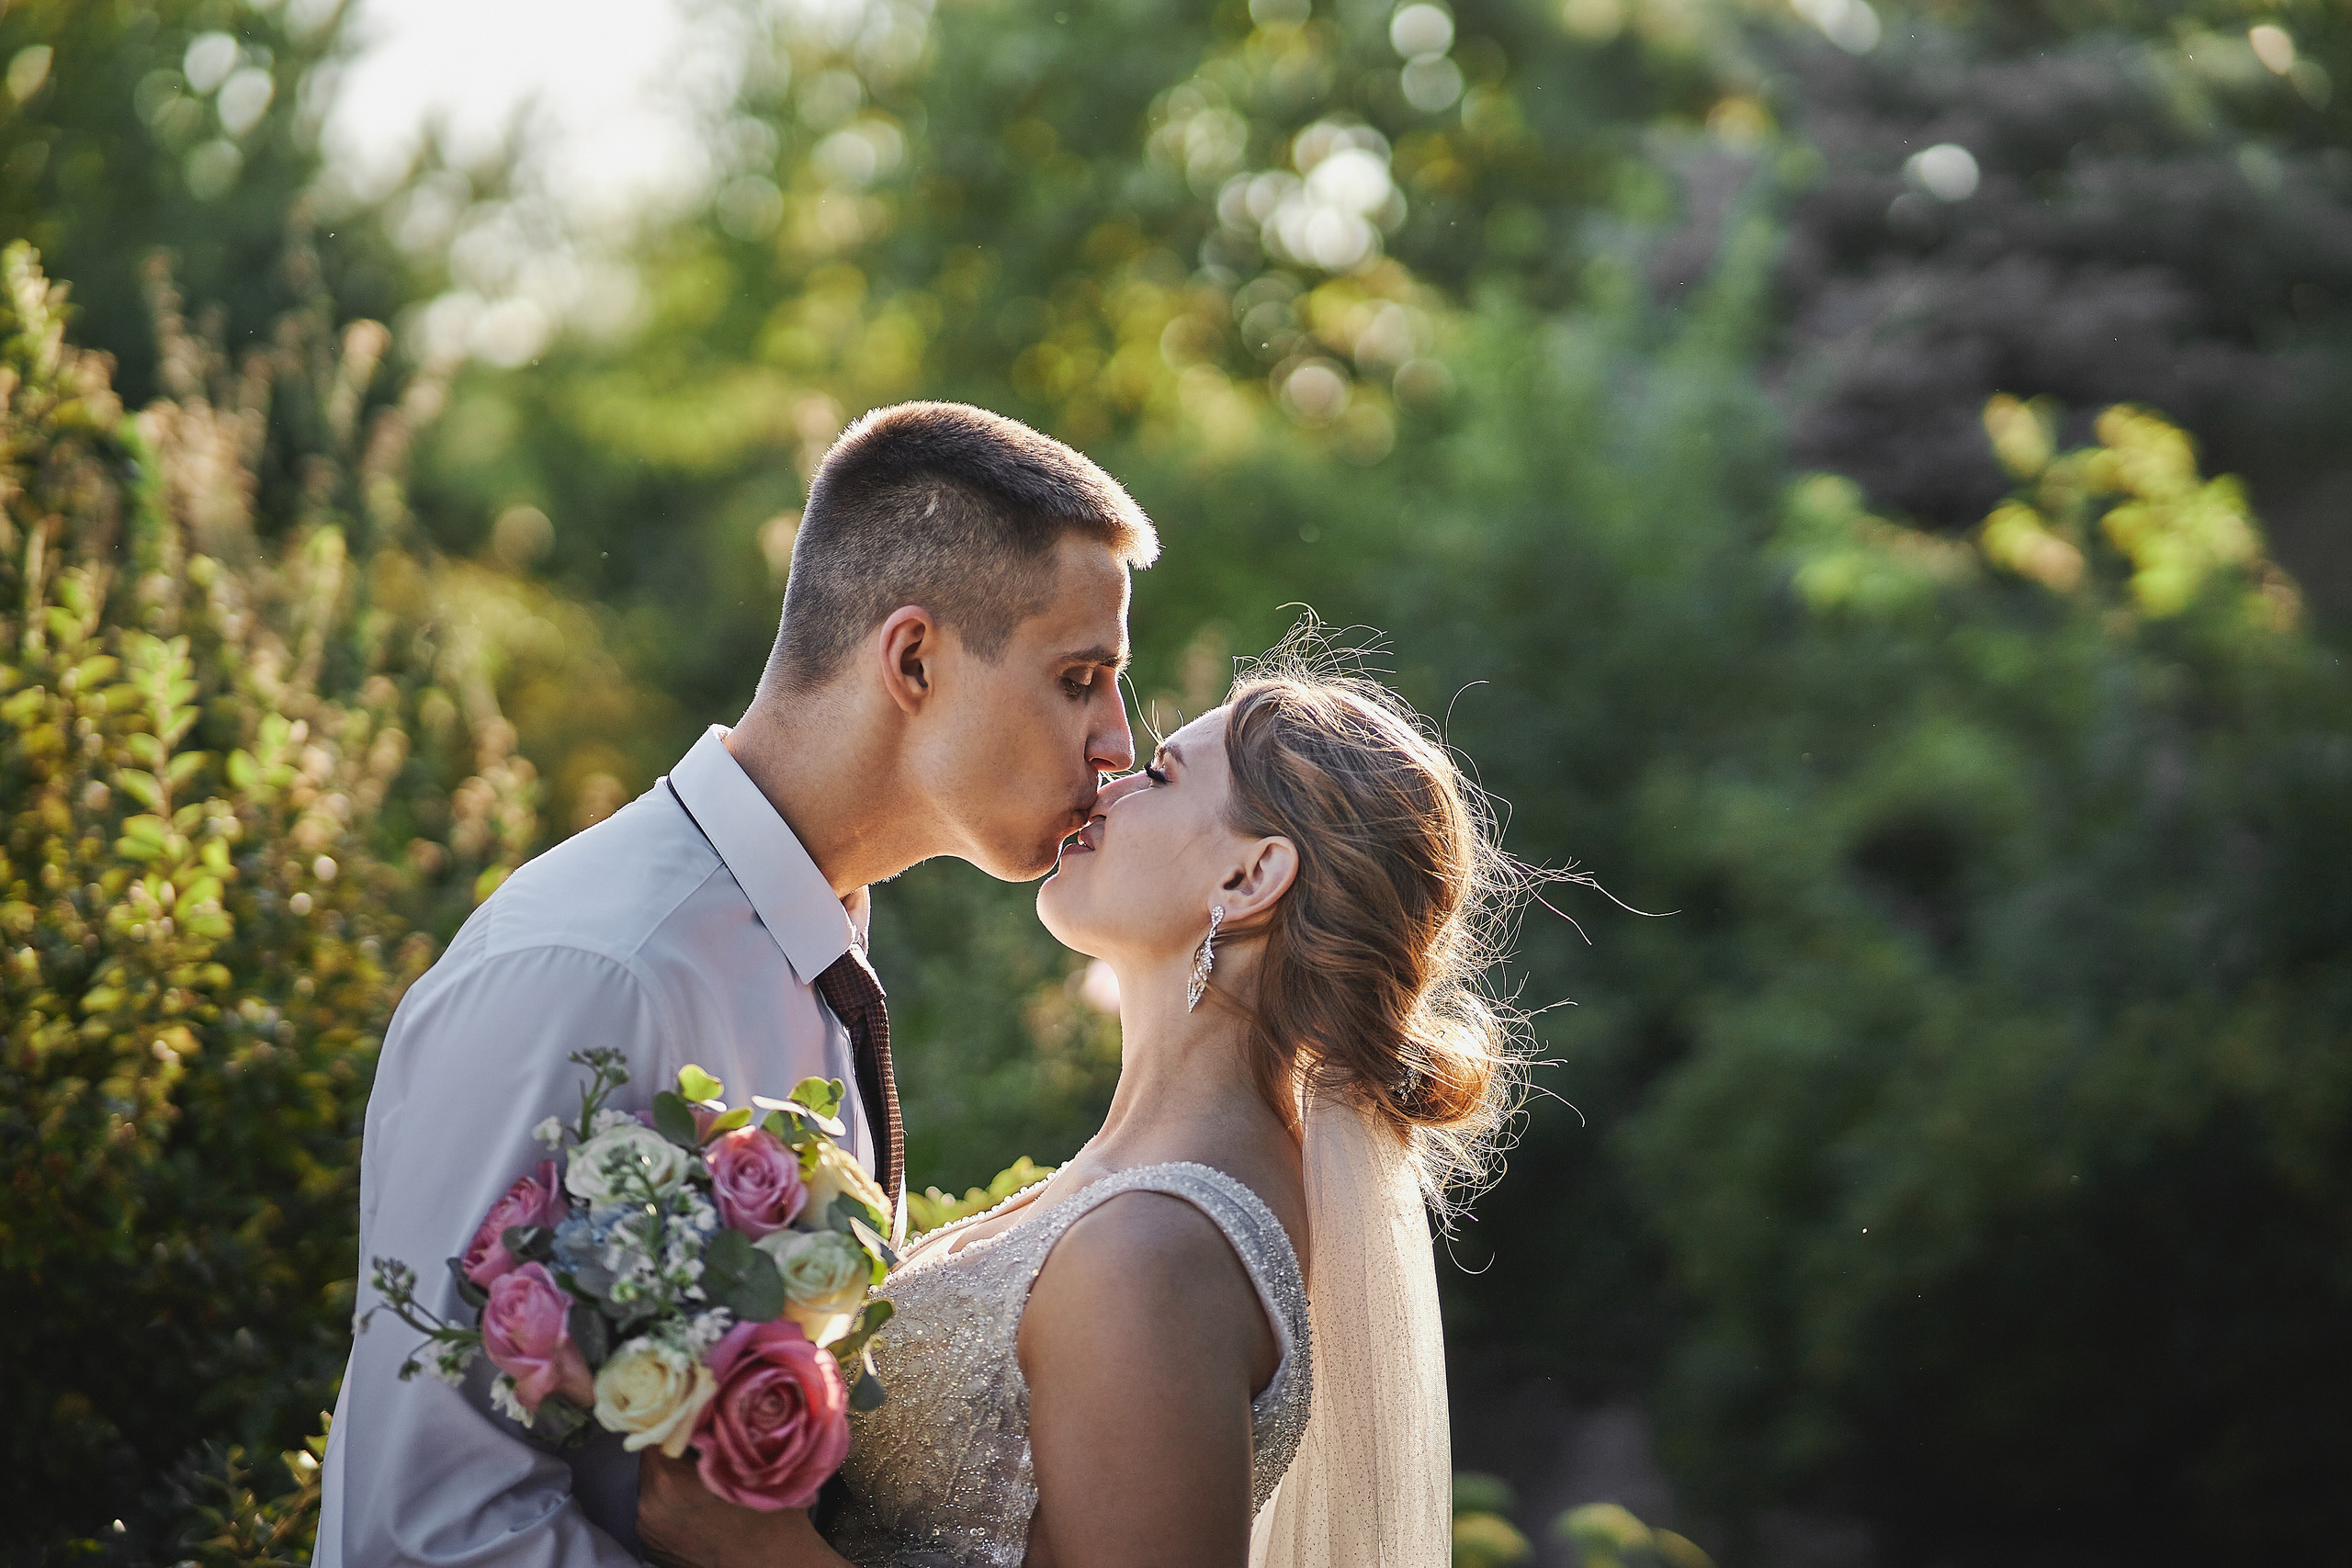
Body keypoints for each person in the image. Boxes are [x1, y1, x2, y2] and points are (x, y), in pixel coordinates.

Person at [317, 401, 1159, 1567]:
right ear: (912, 659)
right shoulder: (592, 973)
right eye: (1079, 678)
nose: (1118, 741)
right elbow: (427, 1532)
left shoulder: (806, 949)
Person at [635, 649, 1526, 1568]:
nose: (1107, 783)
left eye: (1162, 775)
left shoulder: (1155, 1250)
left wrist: (753, 1550)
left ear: (1248, 879)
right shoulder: (1143, 1187)